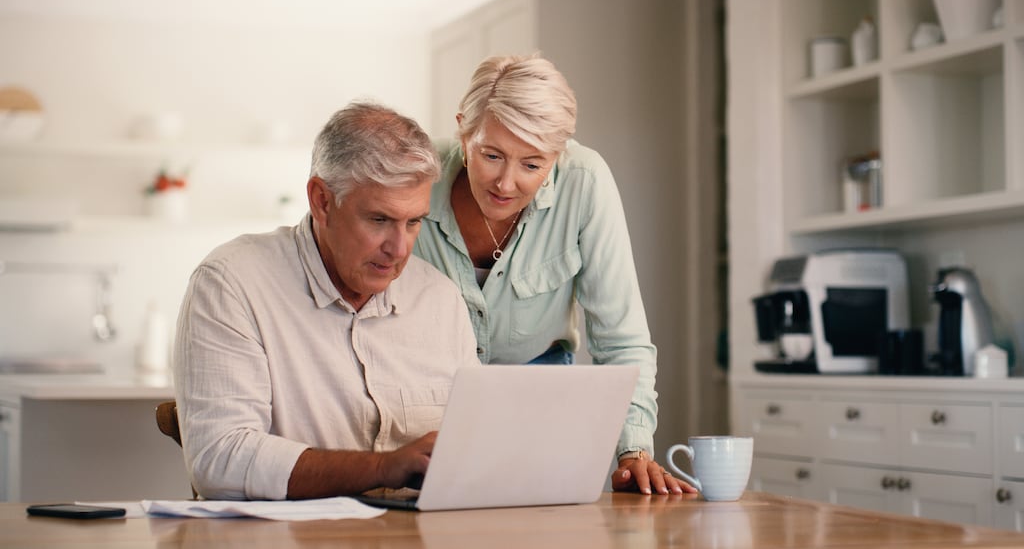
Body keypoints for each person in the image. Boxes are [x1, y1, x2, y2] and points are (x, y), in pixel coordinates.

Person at [414, 54, 695, 496]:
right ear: (464, 132)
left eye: (532, 164)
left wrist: (634, 451)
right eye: (491, 155)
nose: (506, 183)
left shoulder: (585, 182)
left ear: (557, 155)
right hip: (426, 393)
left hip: (540, 389)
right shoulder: (415, 174)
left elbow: (621, 338)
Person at [173, 101, 479, 501]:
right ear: (321, 200)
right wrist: (383, 468)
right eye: (379, 220)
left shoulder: (439, 299)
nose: (400, 248)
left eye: (413, 222)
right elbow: (219, 459)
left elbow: (474, 442)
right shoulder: (232, 284)